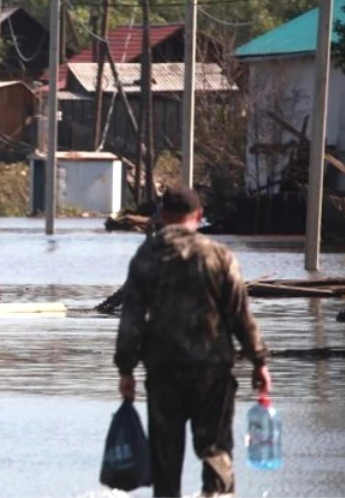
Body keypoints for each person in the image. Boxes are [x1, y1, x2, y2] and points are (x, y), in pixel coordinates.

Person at [114, 184, 271, 498]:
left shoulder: (147, 256)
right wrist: (259, 361)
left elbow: (131, 317)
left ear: (161, 216)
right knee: (214, 448)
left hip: (163, 371)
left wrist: (126, 369)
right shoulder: (219, 255)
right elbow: (240, 315)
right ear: (199, 216)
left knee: (165, 458)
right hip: (212, 370)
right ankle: (216, 495)